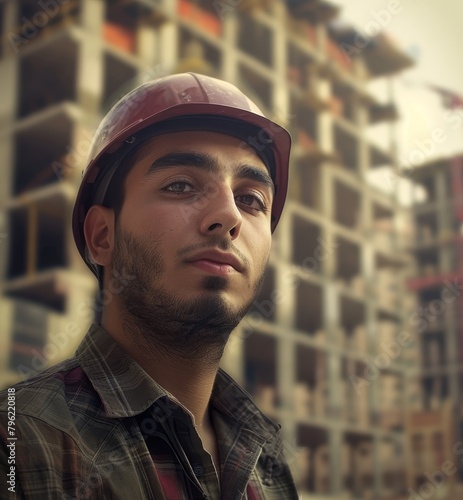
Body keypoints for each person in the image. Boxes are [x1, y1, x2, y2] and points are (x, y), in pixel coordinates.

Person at [0, 73, 298, 499]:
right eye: (181, 185)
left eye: (251, 199)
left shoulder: (269, 469)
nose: (229, 216)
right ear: (102, 236)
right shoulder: (19, 442)